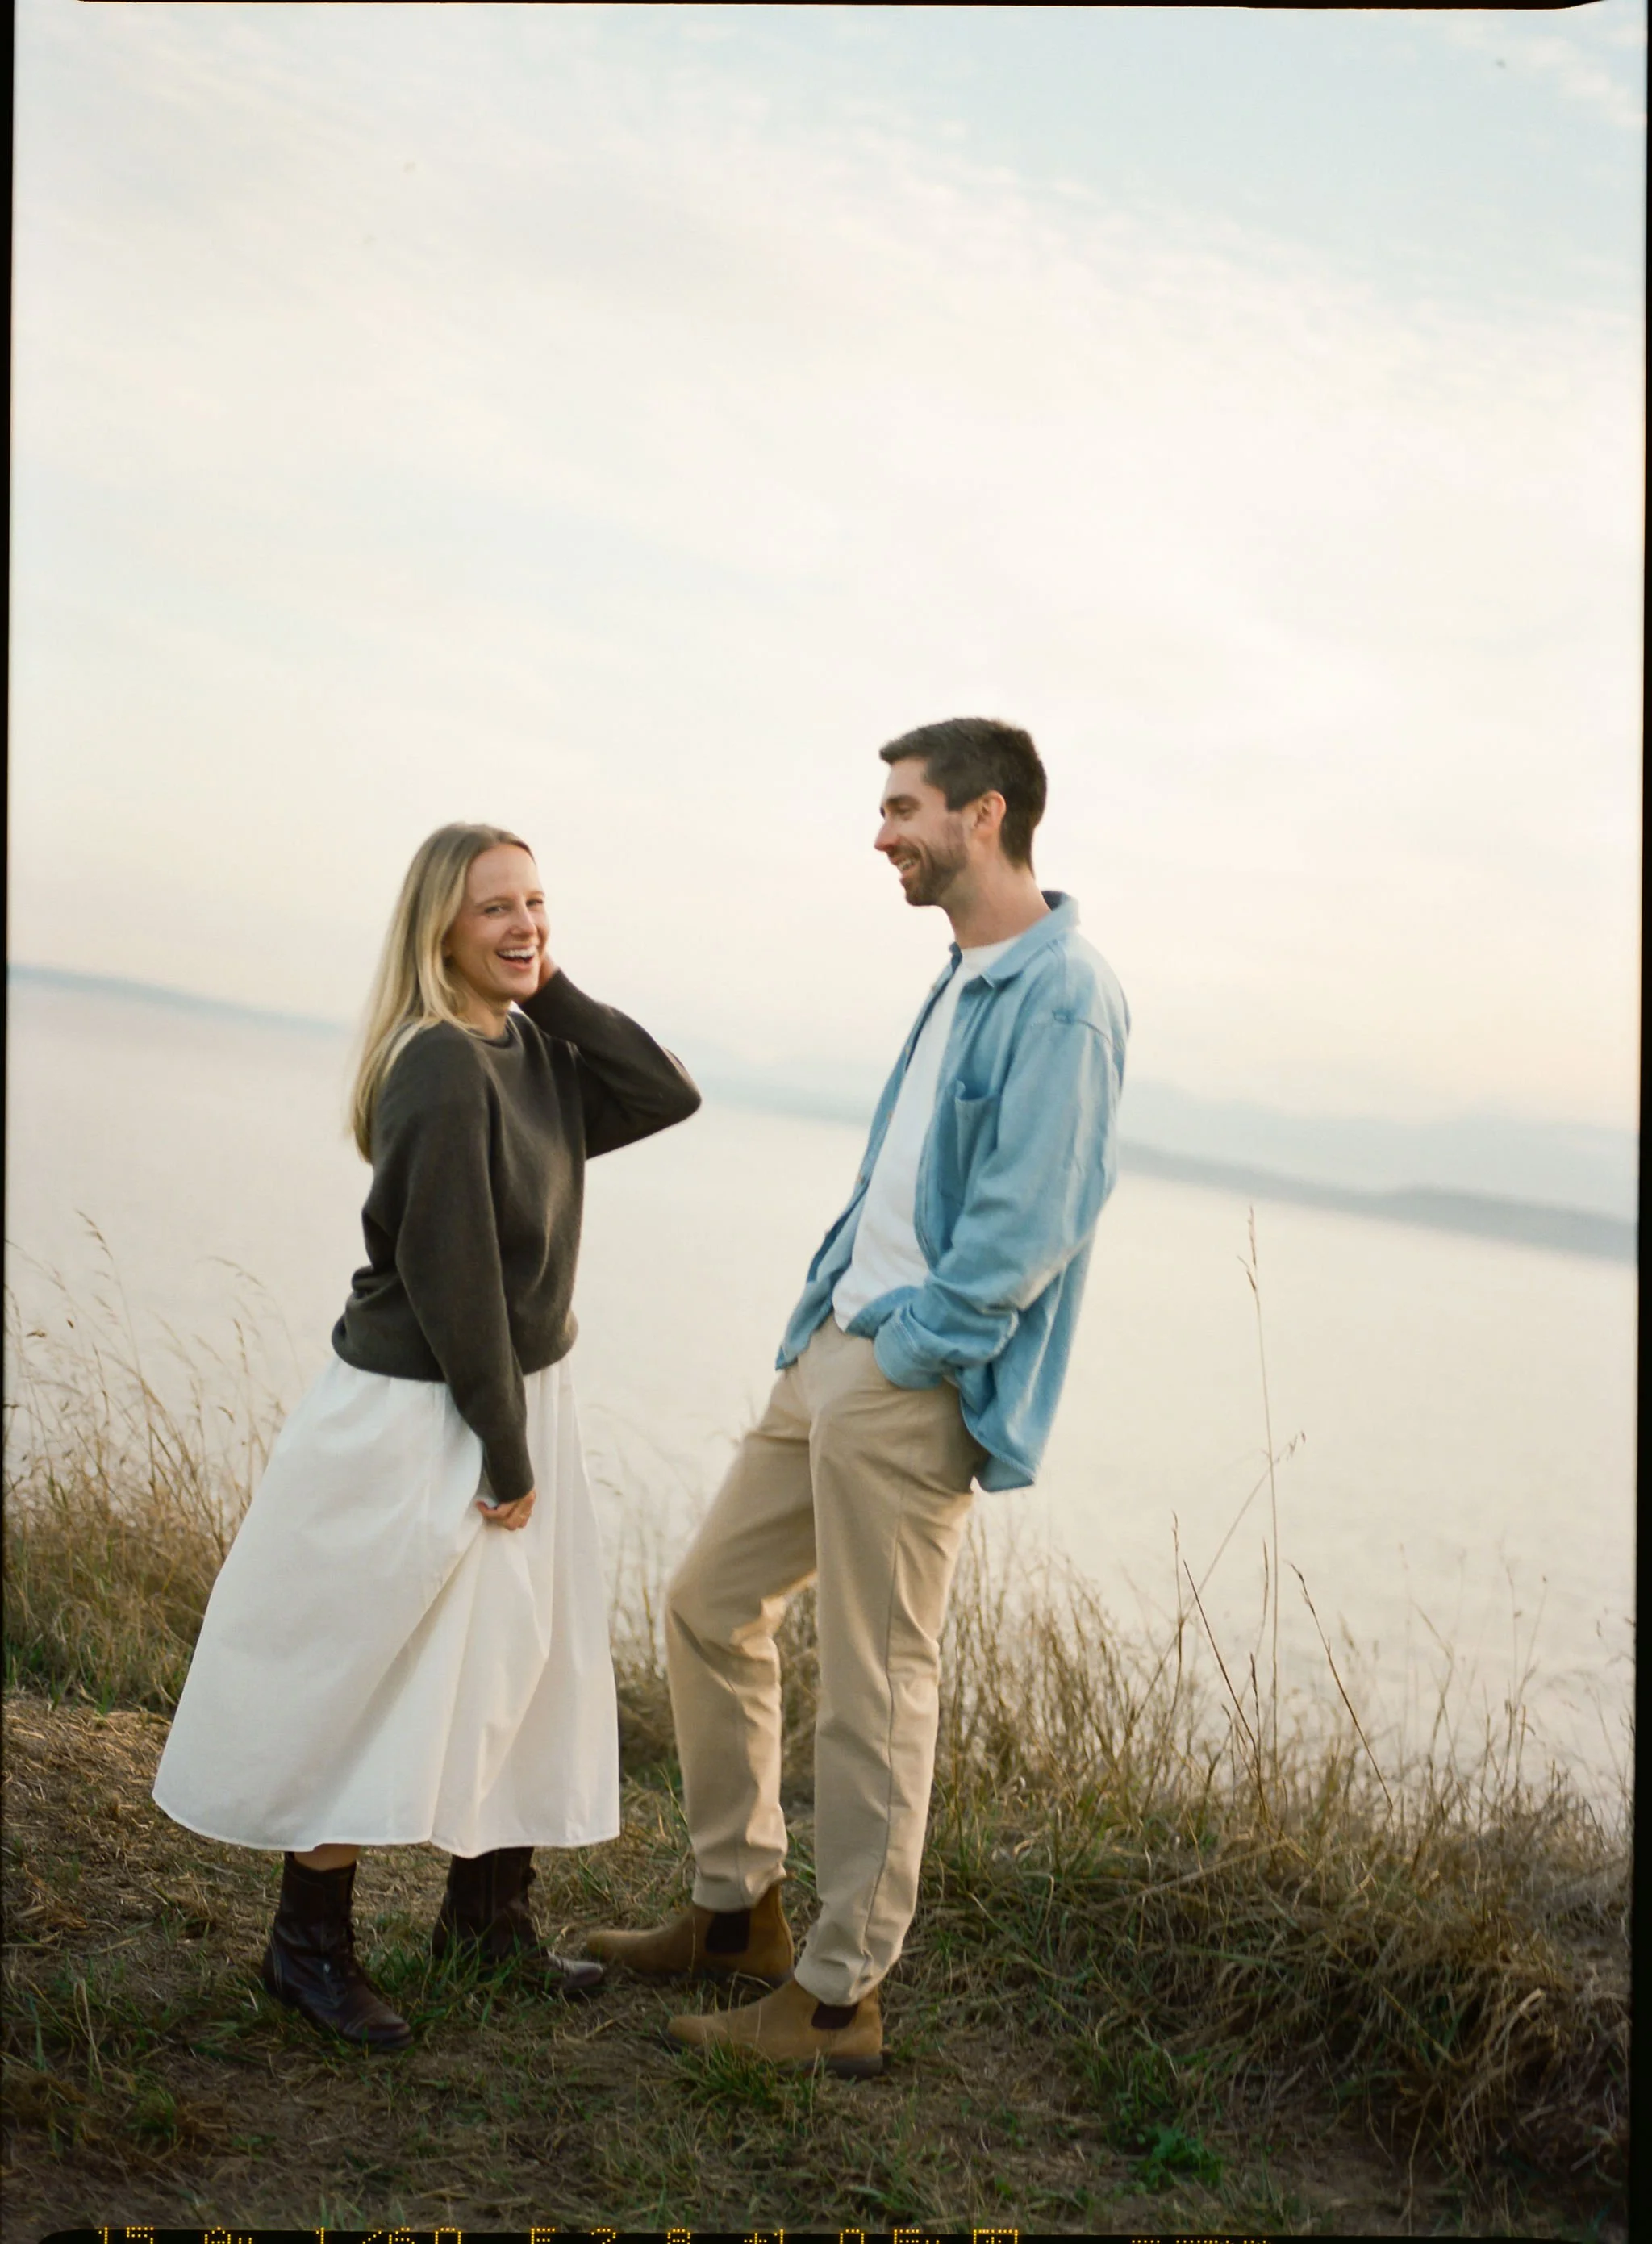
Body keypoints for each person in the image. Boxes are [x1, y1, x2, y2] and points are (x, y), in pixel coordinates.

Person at [585, 718, 1128, 2076]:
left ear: (984, 816)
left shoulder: (1064, 995)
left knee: (879, 1685)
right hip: (836, 1343)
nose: (881, 832)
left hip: (909, 1374)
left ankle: (837, 1997)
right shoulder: (965, 971)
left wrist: (911, 1350)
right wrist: (829, 1324)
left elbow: (1030, 1221)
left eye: (903, 808)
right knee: (710, 1603)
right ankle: (736, 1911)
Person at [152, 822, 701, 2050]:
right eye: (494, 909)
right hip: (426, 1407)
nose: (524, 925)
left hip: (514, 1391)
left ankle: (487, 1919)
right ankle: (307, 1948)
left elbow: (667, 1089)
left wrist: (548, 982)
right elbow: (449, 1277)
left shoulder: (536, 1048)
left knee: (518, 1658)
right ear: (437, 928)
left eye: (538, 904)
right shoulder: (442, 1065)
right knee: (372, 1665)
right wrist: (507, 1453)